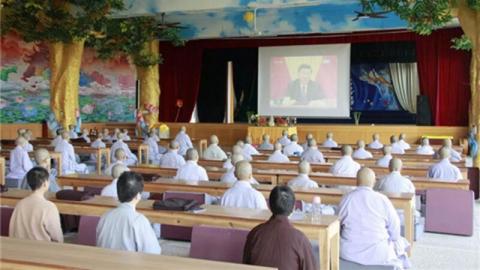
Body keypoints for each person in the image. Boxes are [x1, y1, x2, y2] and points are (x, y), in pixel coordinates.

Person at [339, 167, 411, 269]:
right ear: (374, 182)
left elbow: (337, 225)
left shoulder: (347, 199)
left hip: (349, 252)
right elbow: (395, 228)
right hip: (379, 253)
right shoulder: (382, 199)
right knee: (401, 243)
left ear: (357, 181)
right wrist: (393, 238)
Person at [243, 185, 317, 270]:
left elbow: (245, 265)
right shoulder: (300, 239)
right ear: (293, 208)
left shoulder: (254, 234)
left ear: (269, 206)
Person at [96, 172, 161, 254]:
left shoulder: (105, 216)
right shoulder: (139, 220)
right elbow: (153, 252)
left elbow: (99, 243)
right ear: (138, 196)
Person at [9, 167, 63, 242]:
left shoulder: (20, 204)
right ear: (45, 183)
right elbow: (57, 237)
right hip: (42, 251)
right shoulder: (49, 207)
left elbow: (12, 230)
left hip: (19, 248)